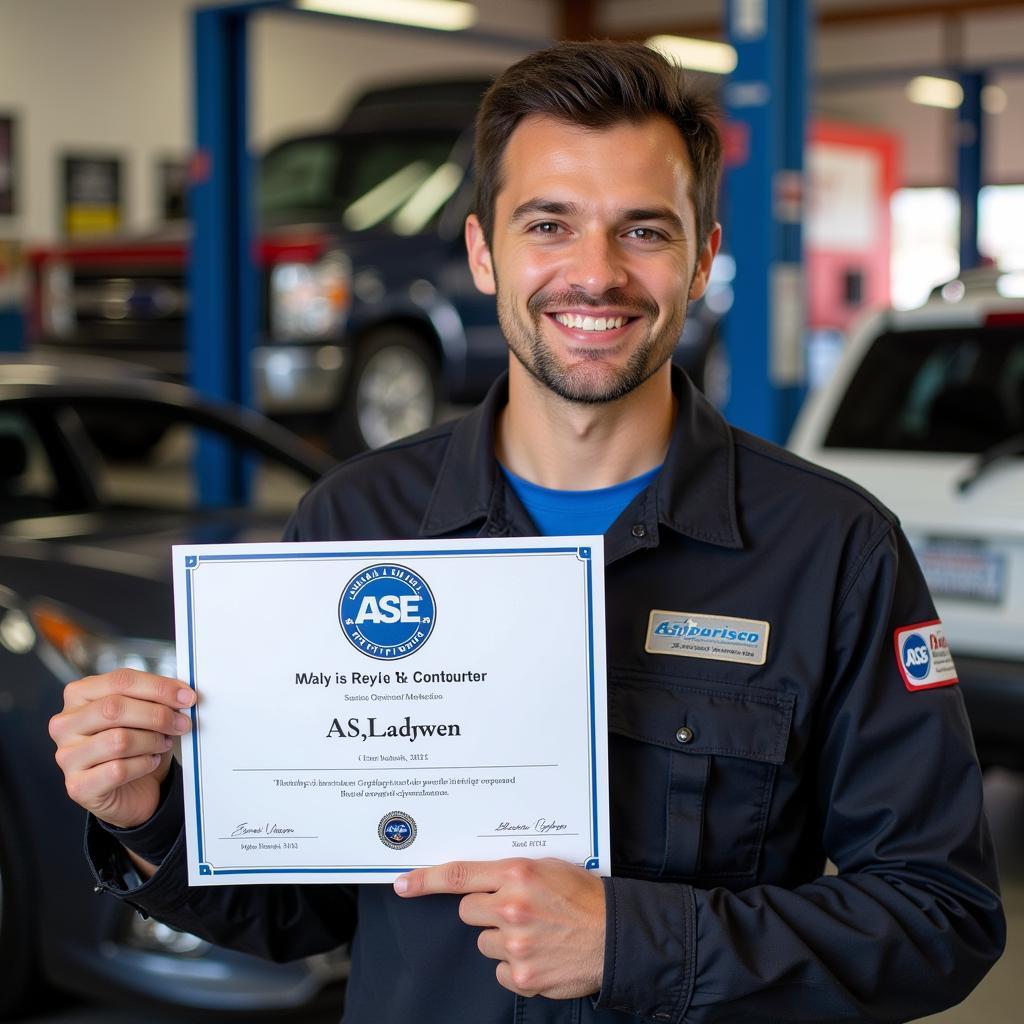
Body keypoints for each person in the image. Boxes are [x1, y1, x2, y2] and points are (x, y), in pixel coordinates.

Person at [49, 41, 1004, 1023]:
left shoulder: (831, 549)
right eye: (548, 224)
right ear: (481, 250)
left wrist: (635, 940)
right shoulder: (355, 523)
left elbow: (939, 914)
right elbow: (306, 912)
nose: (595, 275)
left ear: (703, 256)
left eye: (642, 230)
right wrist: (150, 816)